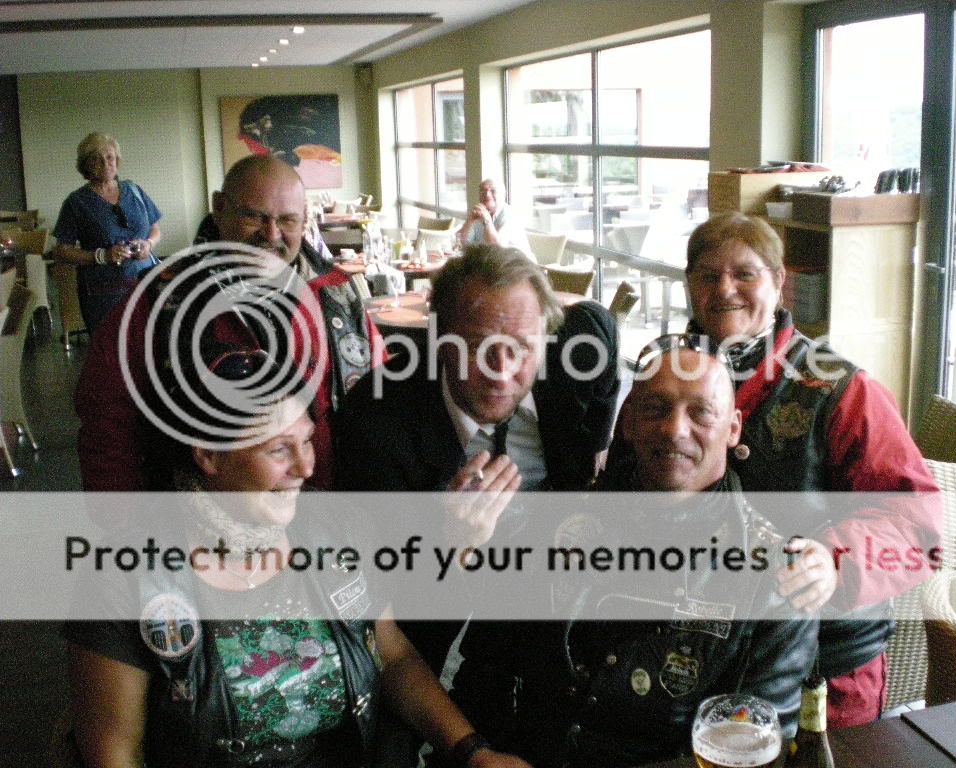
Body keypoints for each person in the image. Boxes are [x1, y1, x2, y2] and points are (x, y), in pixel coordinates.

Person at [64, 346, 529, 768]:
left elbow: (393, 656)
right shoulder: (125, 576)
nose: (306, 468)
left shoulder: (335, 529)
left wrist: (472, 751)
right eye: (279, 449)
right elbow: (115, 753)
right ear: (208, 454)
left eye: (306, 441)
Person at [444, 338, 818, 767]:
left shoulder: (776, 579)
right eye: (656, 408)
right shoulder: (555, 527)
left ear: (733, 429)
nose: (675, 429)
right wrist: (478, 754)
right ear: (629, 423)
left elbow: (754, 750)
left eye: (700, 412)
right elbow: (483, 673)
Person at [682, 211, 941, 728]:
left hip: (820, 674)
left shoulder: (845, 391)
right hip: (690, 659)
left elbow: (919, 526)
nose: (725, 289)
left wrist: (835, 559)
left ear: (780, 283)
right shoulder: (668, 378)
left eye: (745, 274)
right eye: (708, 275)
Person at [336, 243, 620, 673]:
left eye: (522, 348)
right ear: (438, 341)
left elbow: (603, 328)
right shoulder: (376, 419)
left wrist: (599, 443)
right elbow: (385, 595)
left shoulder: (575, 357)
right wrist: (450, 540)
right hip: (451, 631)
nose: (501, 373)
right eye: (475, 346)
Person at [75, 155, 384, 493]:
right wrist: (126, 526)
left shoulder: (338, 294)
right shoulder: (157, 302)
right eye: (254, 216)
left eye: (288, 220)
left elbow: (383, 403)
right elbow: (107, 426)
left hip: (329, 518)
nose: (272, 233)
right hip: (201, 530)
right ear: (219, 208)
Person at [53, 132, 162, 333]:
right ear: (86, 165)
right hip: (104, 295)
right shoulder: (76, 202)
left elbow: (155, 229)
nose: (105, 163)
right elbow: (62, 251)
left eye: (110, 157)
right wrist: (102, 256)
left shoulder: (134, 190)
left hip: (145, 285)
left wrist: (149, 244)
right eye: (96, 158)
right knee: (111, 354)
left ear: (117, 160)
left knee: (150, 347)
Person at [457, 179, 533, 258]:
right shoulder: (479, 213)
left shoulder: (511, 215)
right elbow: (463, 242)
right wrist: (470, 220)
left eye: (493, 191)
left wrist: (487, 220)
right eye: (483, 190)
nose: (487, 194)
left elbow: (496, 248)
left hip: (518, 266)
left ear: (503, 195)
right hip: (491, 264)